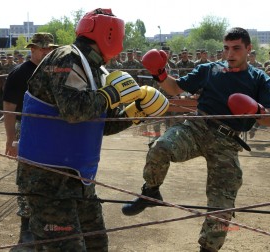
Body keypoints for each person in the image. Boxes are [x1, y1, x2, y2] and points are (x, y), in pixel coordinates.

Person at [16, 8, 169, 252]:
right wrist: (112, 94)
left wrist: (135, 113)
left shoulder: (95, 69)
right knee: (65, 247)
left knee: (96, 243)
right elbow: (74, 110)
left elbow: (98, 124)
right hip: (47, 180)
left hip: (78, 179)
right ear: (109, 33)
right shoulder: (67, 57)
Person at [121, 27, 270, 252]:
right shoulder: (209, 69)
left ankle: (208, 249)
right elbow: (175, 88)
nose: (230, 53)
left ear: (248, 49)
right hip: (197, 127)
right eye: (226, 48)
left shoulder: (261, 79)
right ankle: (150, 192)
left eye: (236, 48)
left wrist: (258, 109)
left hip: (227, 142)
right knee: (161, 146)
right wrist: (160, 74)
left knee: (222, 209)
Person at [3, 32, 59, 246]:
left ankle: (48, 222)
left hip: (53, 130)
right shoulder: (19, 73)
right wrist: (10, 140)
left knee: (53, 173)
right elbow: (8, 109)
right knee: (27, 176)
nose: (46, 52)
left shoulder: (55, 72)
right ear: (32, 49)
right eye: (42, 48)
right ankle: (26, 227)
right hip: (25, 128)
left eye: (49, 48)